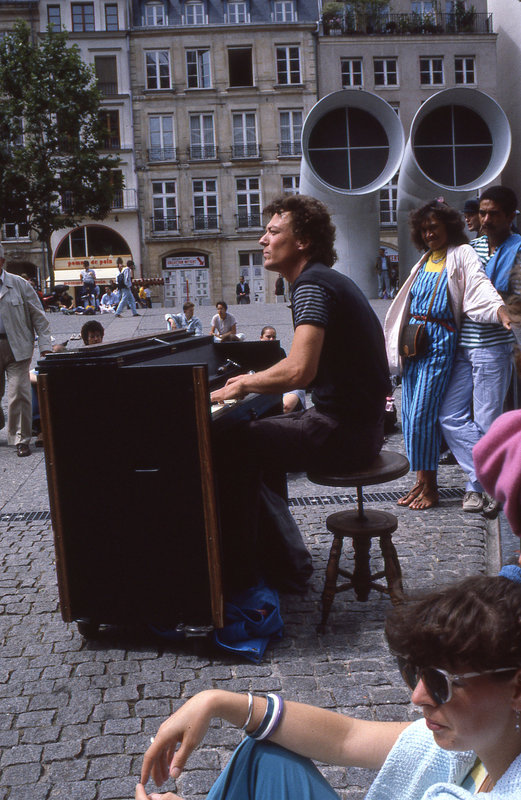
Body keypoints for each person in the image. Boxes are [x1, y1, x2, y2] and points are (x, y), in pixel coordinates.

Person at [136, 571, 521, 800]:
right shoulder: (483, 745)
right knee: (265, 753)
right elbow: (346, 737)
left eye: (441, 683)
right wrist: (216, 701)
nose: (417, 696)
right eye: (415, 670)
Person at [210, 195, 389, 592]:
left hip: (343, 431)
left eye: (274, 232)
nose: (262, 240)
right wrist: (254, 382)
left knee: (227, 444)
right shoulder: (326, 279)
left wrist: (241, 384)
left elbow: (299, 371)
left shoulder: (310, 284)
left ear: (303, 240)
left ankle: (242, 575)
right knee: (257, 434)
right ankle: (279, 559)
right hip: (360, 426)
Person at [384, 199, 510, 510]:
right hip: (415, 345)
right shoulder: (424, 259)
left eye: (434, 228)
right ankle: (422, 480)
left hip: (439, 343)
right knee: (413, 414)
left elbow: (478, 287)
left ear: (448, 228)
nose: (429, 234)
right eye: (424, 229)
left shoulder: (461, 253)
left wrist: (499, 310)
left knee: (426, 415)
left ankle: (433, 487)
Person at [439, 186, 521, 514]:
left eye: (493, 214)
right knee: (449, 415)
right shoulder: (472, 247)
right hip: (463, 344)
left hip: (494, 347)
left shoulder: (518, 250)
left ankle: (479, 489)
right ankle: (486, 477)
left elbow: (513, 302)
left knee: (488, 420)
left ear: (511, 217)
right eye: (482, 213)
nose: (484, 219)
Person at [0, 244, 52, 456]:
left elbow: (39, 316)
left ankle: (21, 438)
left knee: (19, 392)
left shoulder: (20, 284)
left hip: (17, 347)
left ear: (2, 262)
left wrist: (46, 346)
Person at [259, 326, 306, 413]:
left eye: (274, 337)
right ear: (261, 338)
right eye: (268, 337)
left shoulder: (280, 351)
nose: (271, 339)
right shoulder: (255, 353)